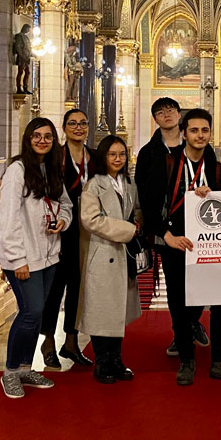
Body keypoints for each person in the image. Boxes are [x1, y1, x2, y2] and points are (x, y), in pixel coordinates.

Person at [143, 108, 221, 386]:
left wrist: (211, 193)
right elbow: (151, 207)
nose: (200, 135)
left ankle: (220, 361)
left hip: (211, 247)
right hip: (176, 243)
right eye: (194, 130)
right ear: (184, 133)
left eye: (205, 130)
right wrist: (167, 237)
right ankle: (187, 359)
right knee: (179, 302)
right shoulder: (166, 163)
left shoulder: (216, 169)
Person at [0, 117, 73, 398]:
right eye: (37, 136)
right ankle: (11, 371)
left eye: (48, 137)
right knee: (30, 312)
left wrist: (63, 221)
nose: (42, 140)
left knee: (37, 314)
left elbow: (65, 203)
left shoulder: (51, 169)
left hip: (49, 255)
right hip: (23, 257)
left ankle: (26, 368)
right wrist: (17, 260)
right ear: (28, 139)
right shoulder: (17, 170)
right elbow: (7, 217)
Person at [135, 97, 209, 356]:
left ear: (180, 115)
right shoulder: (148, 152)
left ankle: (190, 322)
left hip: (201, 228)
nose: (166, 115)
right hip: (168, 229)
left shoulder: (197, 144)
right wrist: (158, 231)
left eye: (170, 111)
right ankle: (181, 336)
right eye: (160, 112)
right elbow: (144, 196)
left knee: (202, 283)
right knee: (176, 288)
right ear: (154, 118)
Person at [78, 135, 143, 384]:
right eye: (112, 154)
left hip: (123, 256)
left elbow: (136, 210)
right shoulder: (93, 185)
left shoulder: (128, 183)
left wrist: (138, 222)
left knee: (118, 312)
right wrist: (128, 230)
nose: (118, 159)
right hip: (103, 253)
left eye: (122, 154)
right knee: (102, 312)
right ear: (103, 157)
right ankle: (102, 362)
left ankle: (116, 359)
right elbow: (91, 220)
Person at [39, 109, 95, 368]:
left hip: (86, 231)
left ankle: (71, 342)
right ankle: (48, 340)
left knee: (78, 287)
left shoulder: (94, 158)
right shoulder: (54, 158)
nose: (78, 127)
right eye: (72, 123)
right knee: (54, 287)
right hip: (59, 230)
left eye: (83, 123)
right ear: (64, 128)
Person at [13, 23, 31, 94]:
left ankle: (25, 87)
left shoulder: (26, 37)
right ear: (25, 28)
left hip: (26, 58)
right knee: (20, 72)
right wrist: (22, 55)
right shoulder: (19, 36)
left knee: (28, 72)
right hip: (21, 58)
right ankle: (18, 88)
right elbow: (18, 47)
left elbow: (28, 48)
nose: (29, 31)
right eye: (28, 29)